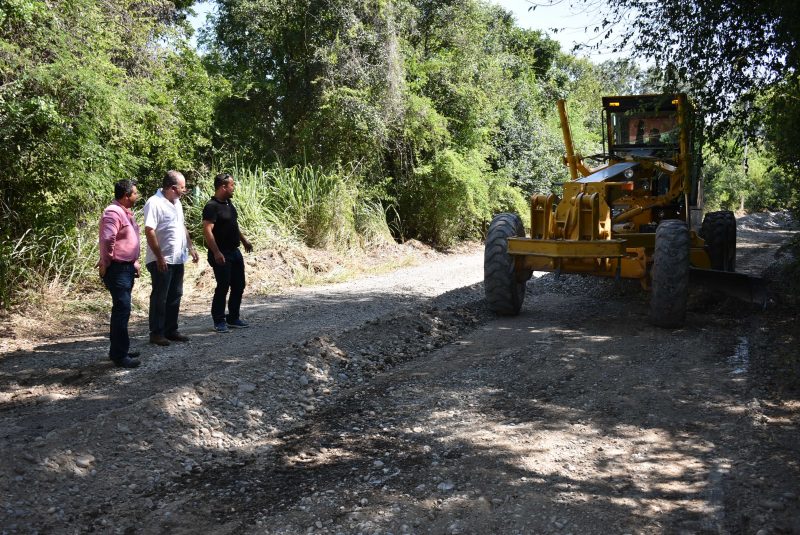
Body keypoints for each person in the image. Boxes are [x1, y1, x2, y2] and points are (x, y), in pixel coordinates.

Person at [143, 170, 199, 346]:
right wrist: (159, 257)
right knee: (160, 296)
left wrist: (190, 247)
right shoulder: (154, 203)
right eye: (183, 188)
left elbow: (181, 225)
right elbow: (149, 230)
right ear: (173, 188)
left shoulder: (177, 203)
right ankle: (156, 333)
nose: (185, 190)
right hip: (162, 259)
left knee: (176, 294)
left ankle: (171, 330)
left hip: (177, 258)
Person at [98, 179, 141, 368]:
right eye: (135, 193)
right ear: (126, 196)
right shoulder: (113, 212)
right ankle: (119, 355)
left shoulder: (125, 213)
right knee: (122, 310)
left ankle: (119, 349)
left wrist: (135, 261)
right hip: (117, 269)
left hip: (126, 267)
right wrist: (106, 262)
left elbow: (128, 241)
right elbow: (108, 239)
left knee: (122, 310)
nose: (137, 196)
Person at [202, 173, 253, 333]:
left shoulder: (229, 204)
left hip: (234, 251)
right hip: (221, 253)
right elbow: (207, 231)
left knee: (239, 285)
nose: (234, 188)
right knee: (223, 286)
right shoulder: (211, 206)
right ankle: (219, 320)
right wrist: (216, 252)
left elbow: (234, 225)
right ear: (223, 187)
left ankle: (233, 318)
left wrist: (244, 241)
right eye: (232, 185)